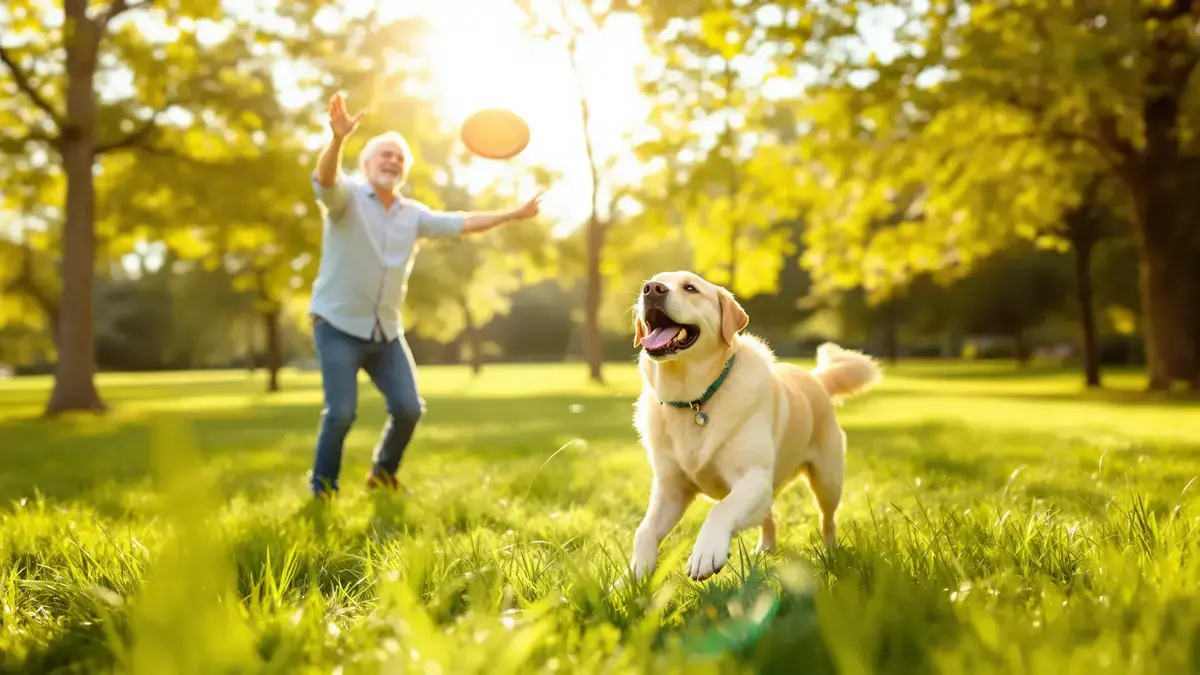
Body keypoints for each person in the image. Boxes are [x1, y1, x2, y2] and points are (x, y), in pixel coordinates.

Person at [306, 92, 541, 499]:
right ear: (367, 164)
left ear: (404, 171)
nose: (392, 161)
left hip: (385, 331)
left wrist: (513, 213)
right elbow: (325, 181)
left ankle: (382, 474)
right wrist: (339, 138)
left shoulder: (412, 215)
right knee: (341, 413)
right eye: (385, 154)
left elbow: (462, 223)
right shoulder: (346, 200)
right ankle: (322, 490)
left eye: (399, 158)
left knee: (409, 408)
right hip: (337, 325)